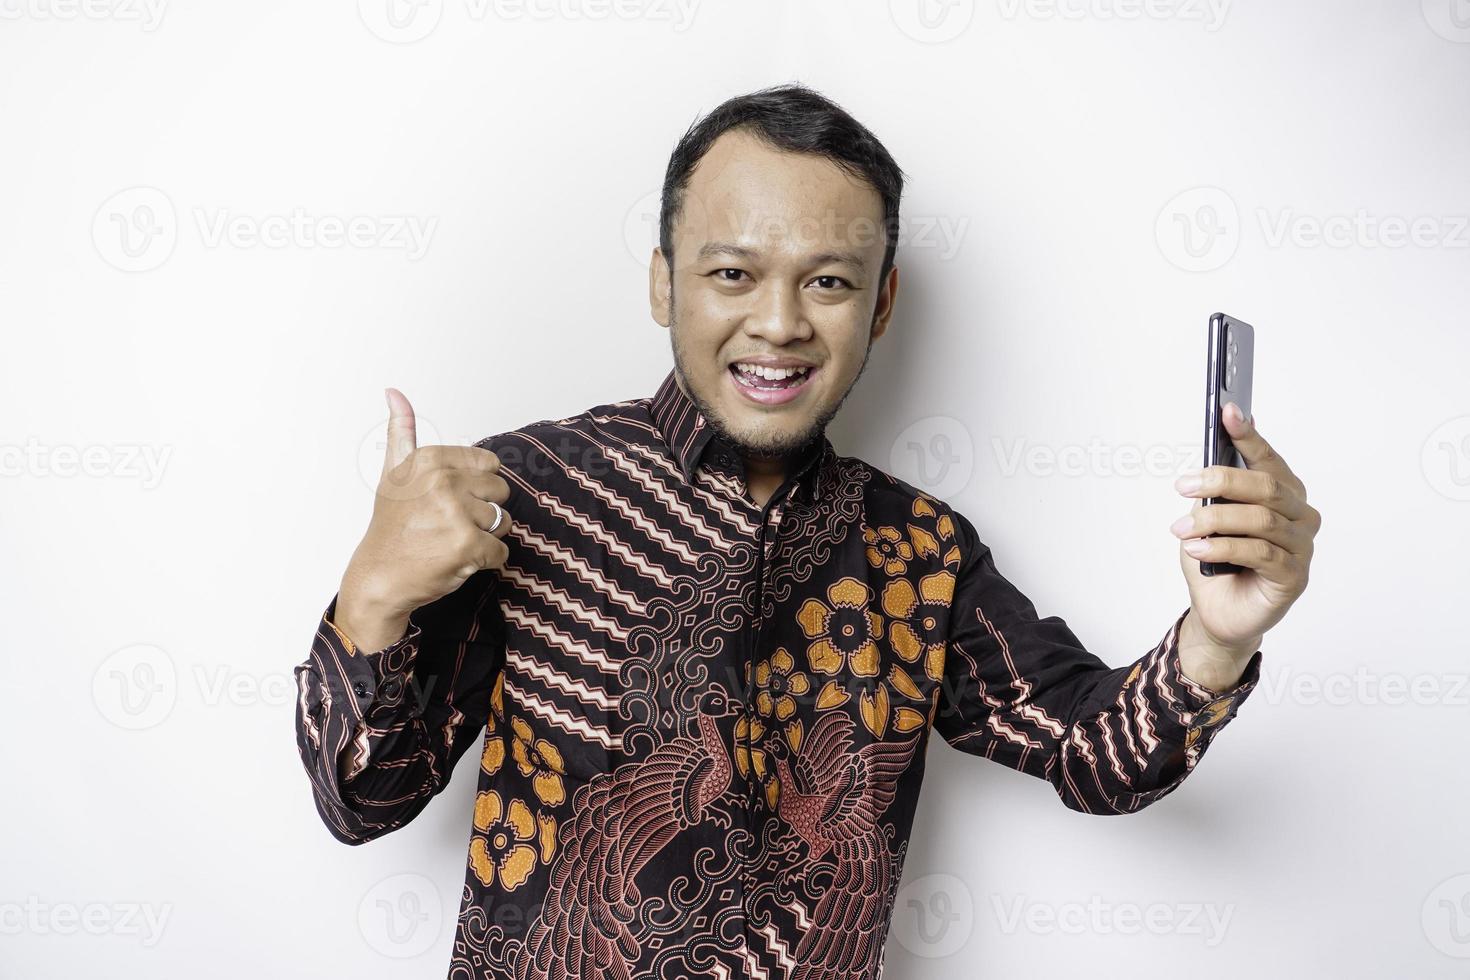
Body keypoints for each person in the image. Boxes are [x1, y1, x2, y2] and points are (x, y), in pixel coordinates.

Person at [292, 83, 1320, 980]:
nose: (780, 322)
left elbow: (1098, 755)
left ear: (880, 305)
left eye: (827, 280)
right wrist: (372, 594)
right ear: (664, 281)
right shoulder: (525, 492)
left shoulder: (922, 555)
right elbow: (364, 801)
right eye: (733, 273)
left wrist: (1220, 635)